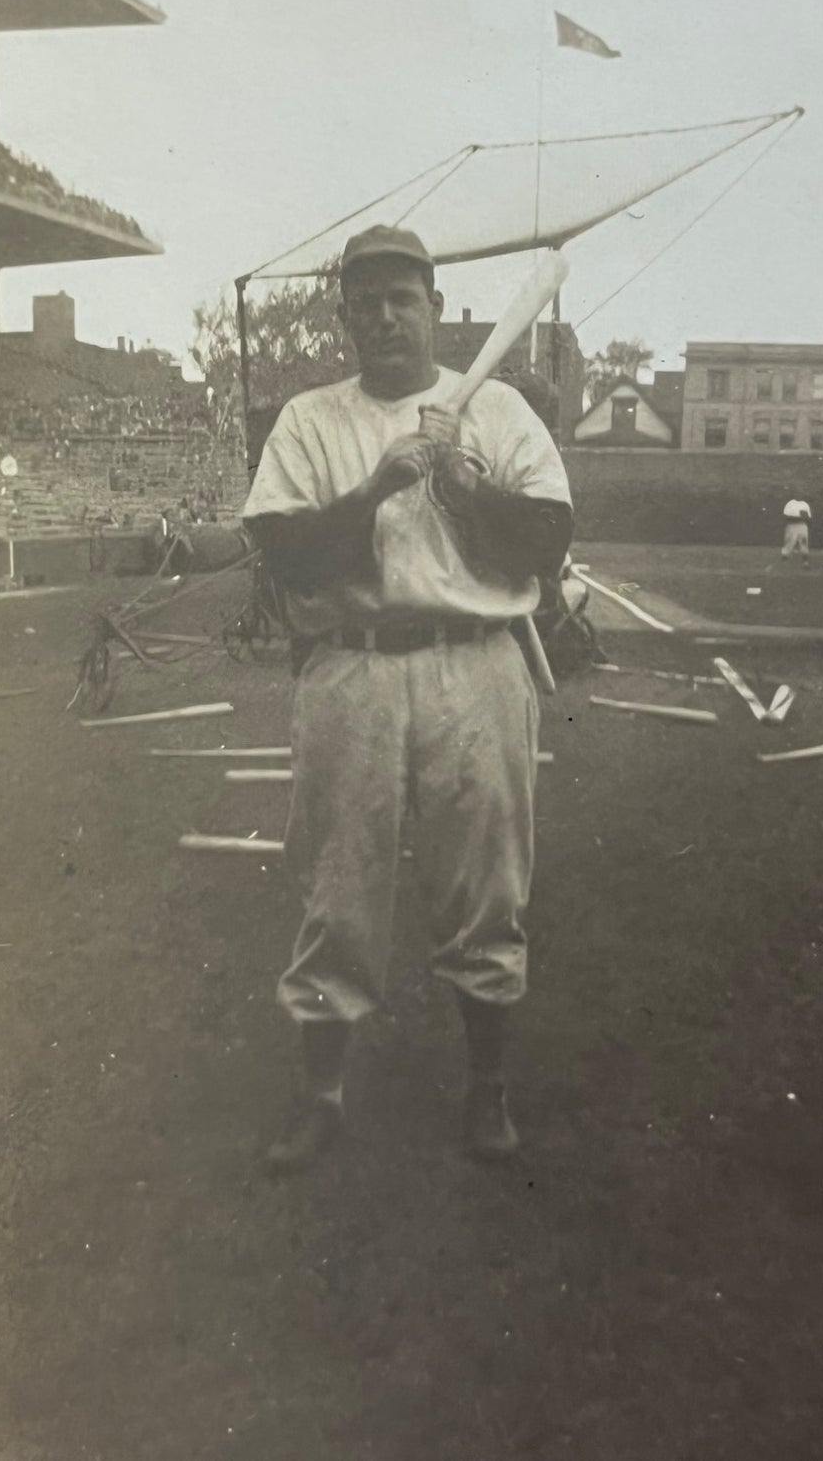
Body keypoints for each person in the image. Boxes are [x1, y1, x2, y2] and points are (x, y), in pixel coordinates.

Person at [243, 226, 573, 1173]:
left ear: (433, 307)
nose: (385, 316)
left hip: (477, 663)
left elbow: (545, 544)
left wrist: (465, 489)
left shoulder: (499, 410)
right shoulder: (310, 420)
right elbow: (286, 557)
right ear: (345, 316)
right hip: (350, 668)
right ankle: (322, 1097)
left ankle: (489, 1093)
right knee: (338, 892)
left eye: (403, 298)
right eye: (366, 301)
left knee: (486, 884)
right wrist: (375, 489)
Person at [781, 495, 812, 561]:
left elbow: (808, 517)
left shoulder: (804, 504)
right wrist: (798, 517)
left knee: (804, 542)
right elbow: (786, 516)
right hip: (792, 526)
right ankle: (785, 556)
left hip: (802, 526)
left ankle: (805, 560)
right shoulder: (790, 503)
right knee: (790, 542)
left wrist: (803, 517)